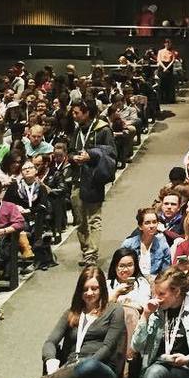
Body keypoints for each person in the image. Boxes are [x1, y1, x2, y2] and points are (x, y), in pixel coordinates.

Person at [3, 266, 126, 378]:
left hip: (100, 371)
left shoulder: (114, 310)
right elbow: (50, 342)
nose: (89, 293)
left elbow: (107, 347)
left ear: (102, 289)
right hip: (71, 370)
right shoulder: (72, 313)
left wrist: (81, 366)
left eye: (94, 288)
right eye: (85, 289)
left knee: (89, 365)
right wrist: (51, 360)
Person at [69, 101, 117, 266]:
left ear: (86, 112)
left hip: (94, 180)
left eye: (76, 113)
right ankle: (85, 251)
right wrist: (73, 157)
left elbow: (111, 152)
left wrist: (91, 155)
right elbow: (70, 150)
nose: (73, 116)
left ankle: (91, 254)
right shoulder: (77, 129)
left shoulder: (103, 129)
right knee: (80, 220)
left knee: (94, 219)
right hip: (77, 180)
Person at [122, 207, 172, 279]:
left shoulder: (163, 245)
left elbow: (165, 273)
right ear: (140, 226)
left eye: (154, 222)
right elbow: (120, 268)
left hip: (154, 282)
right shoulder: (128, 244)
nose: (151, 226)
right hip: (132, 280)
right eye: (147, 223)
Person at [106, 247, 152, 311]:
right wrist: (117, 293)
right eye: (121, 266)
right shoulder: (106, 284)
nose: (125, 270)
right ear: (115, 267)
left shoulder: (142, 283)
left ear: (135, 266)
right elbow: (103, 307)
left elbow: (143, 306)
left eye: (130, 265)